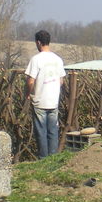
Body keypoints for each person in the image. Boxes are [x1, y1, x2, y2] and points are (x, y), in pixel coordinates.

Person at [24, 30, 66, 158]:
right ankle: (52, 159)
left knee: (41, 132)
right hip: (53, 101)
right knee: (53, 131)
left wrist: (27, 93)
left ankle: (42, 159)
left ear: (38, 42)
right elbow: (61, 80)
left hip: (40, 101)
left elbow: (31, 81)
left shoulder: (36, 59)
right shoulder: (57, 59)